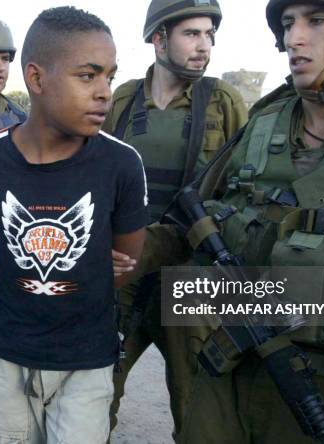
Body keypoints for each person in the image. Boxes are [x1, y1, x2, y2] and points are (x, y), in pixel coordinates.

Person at [139, 0, 324, 442]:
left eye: (316, 21)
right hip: (222, 376)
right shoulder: (263, 121)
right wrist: (115, 249)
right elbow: (186, 227)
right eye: (287, 24)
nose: (294, 38)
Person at [0, 7, 148, 444]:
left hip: (88, 360)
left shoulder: (121, 165)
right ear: (37, 79)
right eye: (88, 76)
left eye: (110, 77)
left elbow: (122, 266)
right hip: (8, 356)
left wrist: (79, 282)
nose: (105, 93)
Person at [101, 0, 247, 437]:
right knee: (95, 394)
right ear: (158, 39)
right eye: (192, 34)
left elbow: (241, 186)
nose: (205, 46)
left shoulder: (223, 100)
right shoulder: (124, 98)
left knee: (197, 408)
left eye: (209, 35)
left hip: (190, 278)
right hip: (126, 272)